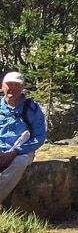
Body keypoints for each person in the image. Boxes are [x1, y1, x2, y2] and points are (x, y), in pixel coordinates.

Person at [0, 72, 46, 204]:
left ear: (22, 87)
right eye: (9, 85)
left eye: (16, 85)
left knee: (20, 162)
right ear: (2, 86)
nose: (12, 88)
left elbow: (40, 136)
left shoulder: (32, 108)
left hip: (22, 151)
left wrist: (16, 151)